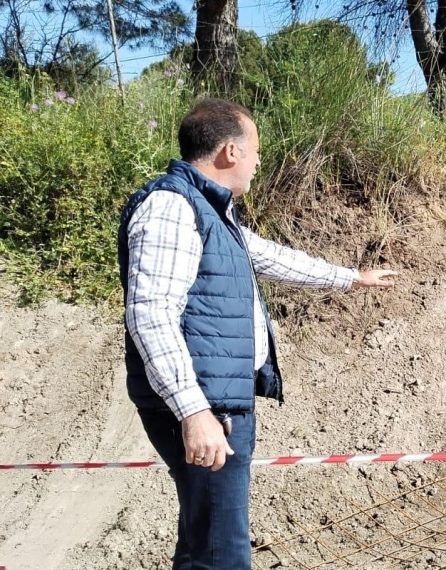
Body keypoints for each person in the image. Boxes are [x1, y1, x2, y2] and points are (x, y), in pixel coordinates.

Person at [117, 97, 398, 569]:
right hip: (208, 408)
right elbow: (151, 315)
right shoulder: (171, 208)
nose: (259, 162)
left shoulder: (209, 213)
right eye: (257, 151)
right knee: (222, 553)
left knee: (203, 542)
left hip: (217, 402)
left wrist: (352, 278)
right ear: (230, 151)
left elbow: (274, 258)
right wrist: (194, 412)